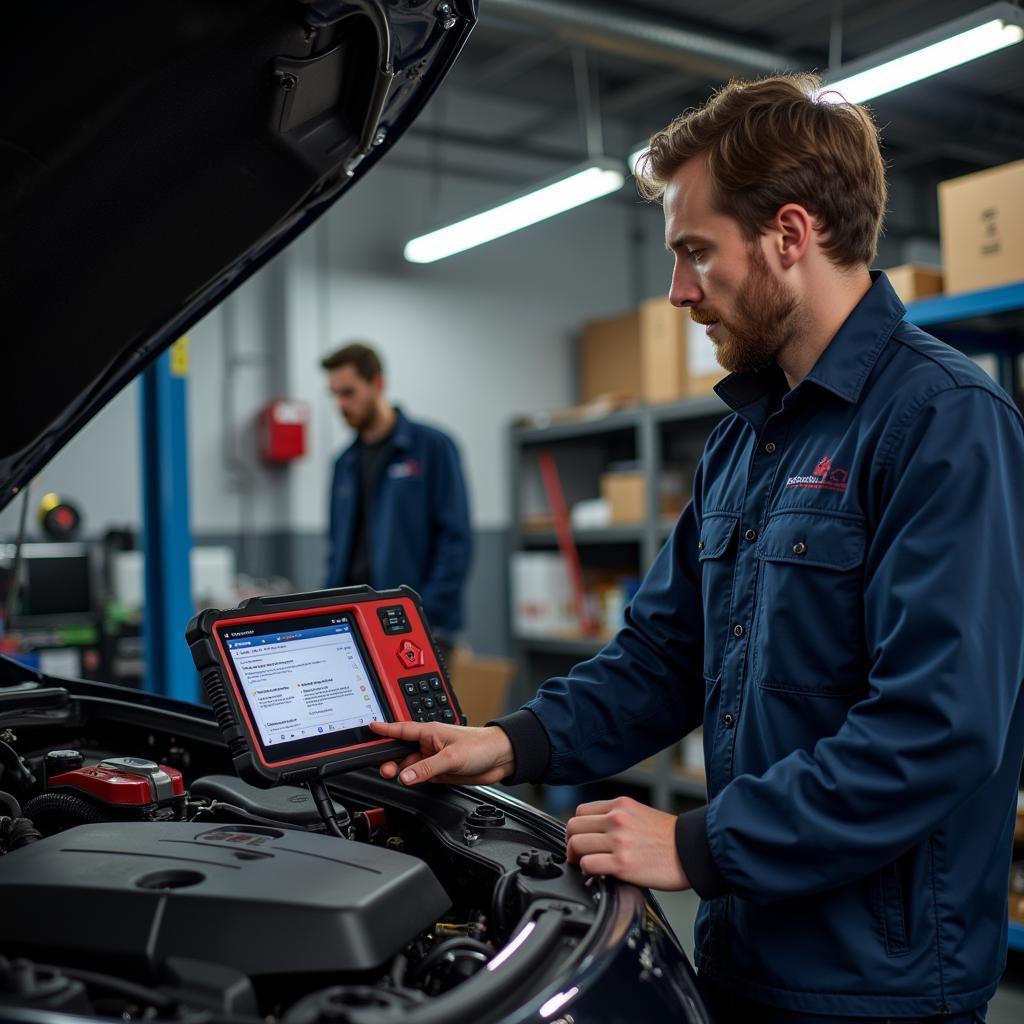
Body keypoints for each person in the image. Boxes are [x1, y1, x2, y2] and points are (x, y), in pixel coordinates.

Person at [371, 74, 1024, 1023]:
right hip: (744, 941)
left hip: (878, 982)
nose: (678, 292)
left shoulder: (944, 422)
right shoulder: (747, 438)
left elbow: (935, 728)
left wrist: (697, 847)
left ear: (790, 236)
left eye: (694, 253)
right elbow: (664, 656)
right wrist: (513, 742)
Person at [322, 342, 471, 663]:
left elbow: (456, 539)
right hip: (355, 626)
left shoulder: (431, 447)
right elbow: (336, 549)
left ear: (377, 383)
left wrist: (426, 612)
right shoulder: (344, 464)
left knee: (419, 714)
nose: (340, 404)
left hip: (419, 625)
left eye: (348, 392)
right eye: (333, 394)